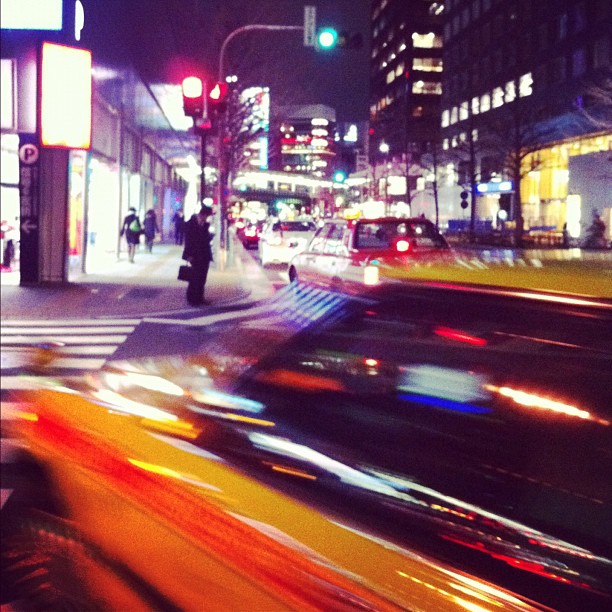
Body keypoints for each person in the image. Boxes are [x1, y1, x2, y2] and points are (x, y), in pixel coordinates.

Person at [182, 206, 214, 306]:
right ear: (203, 214)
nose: (207, 218)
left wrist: (210, 236)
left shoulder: (205, 225)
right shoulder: (191, 223)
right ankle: (192, 299)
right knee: (194, 277)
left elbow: (205, 239)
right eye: (207, 216)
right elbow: (188, 240)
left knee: (202, 278)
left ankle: (200, 298)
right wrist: (189, 254)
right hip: (194, 255)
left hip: (204, 255)